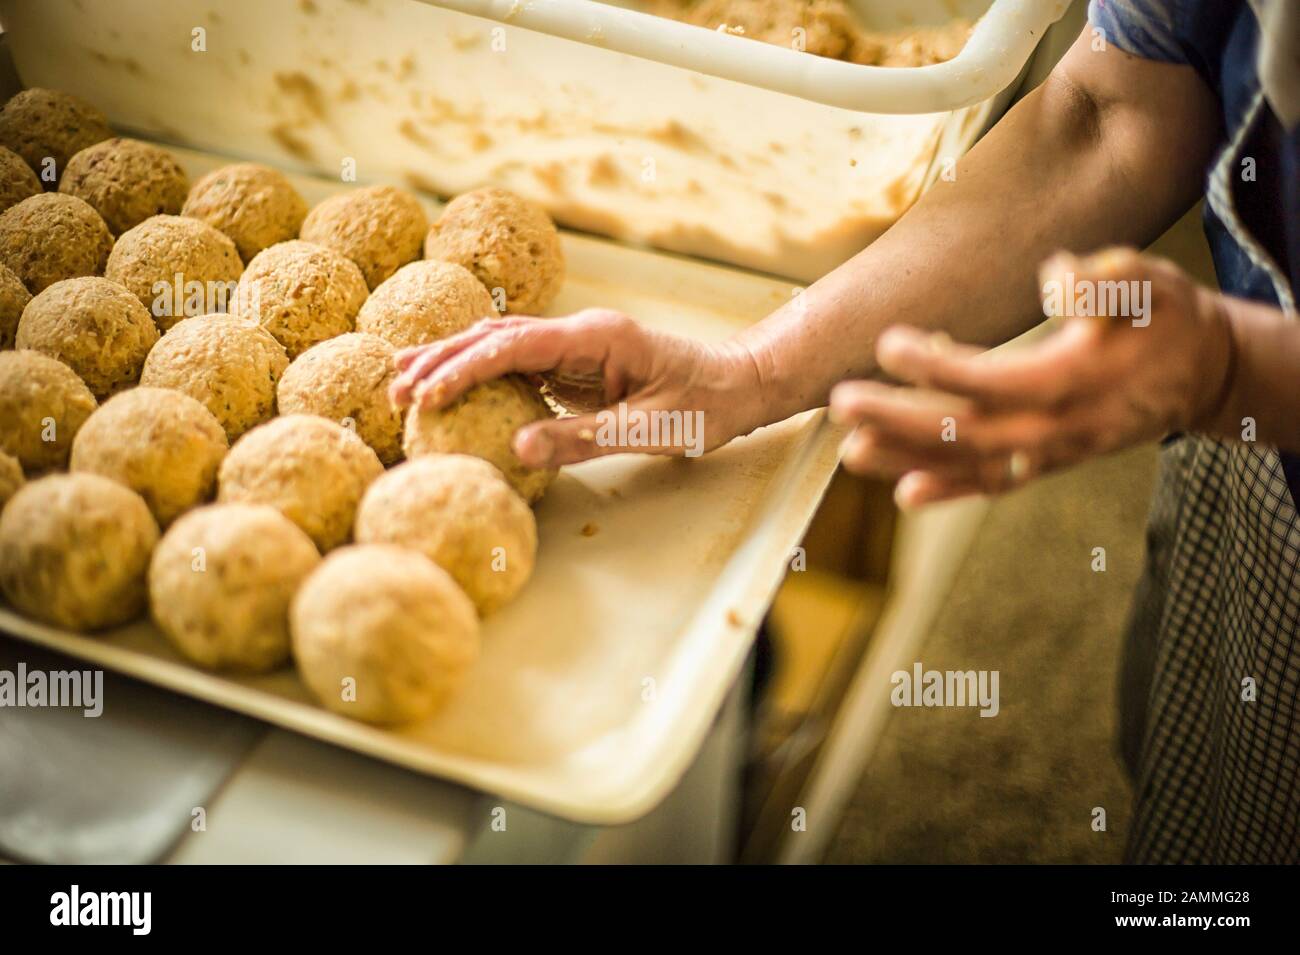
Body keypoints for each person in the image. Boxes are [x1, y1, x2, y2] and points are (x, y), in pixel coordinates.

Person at [391, 0, 1299, 864]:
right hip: (1250, 458)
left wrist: (1235, 369)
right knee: (1197, 777)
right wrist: (749, 371)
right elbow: (1114, 112)